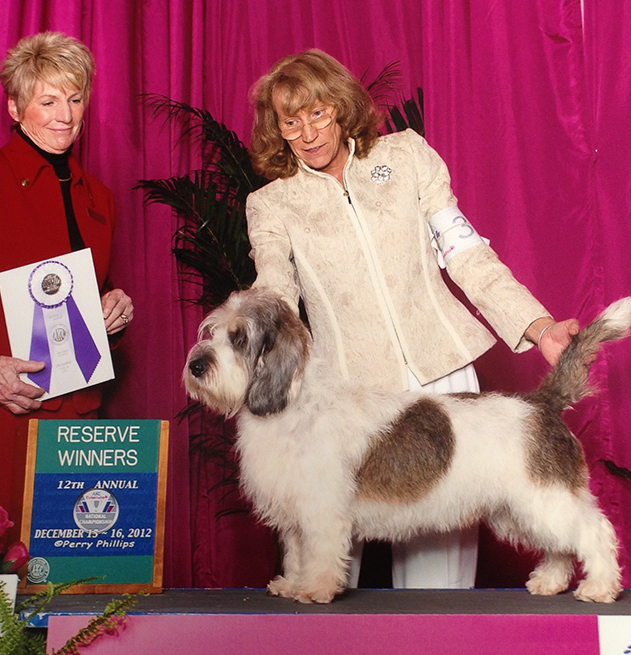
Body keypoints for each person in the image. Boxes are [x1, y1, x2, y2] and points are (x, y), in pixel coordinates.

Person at [246, 48, 579, 590]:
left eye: (318, 113)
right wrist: (244, 341)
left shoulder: (406, 157)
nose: (307, 133)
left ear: (340, 107)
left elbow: (466, 254)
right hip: (351, 401)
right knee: (321, 571)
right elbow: (275, 291)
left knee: (438, 583)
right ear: (277, 131)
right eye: (291, 121)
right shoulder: (272, 204)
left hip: (440, 382)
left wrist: (539, 327)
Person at [0, 31, 133, 533]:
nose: (65, 114)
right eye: (48, 100)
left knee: (68, 586)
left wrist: (112, 313)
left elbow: (84, 299)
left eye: (75, 99)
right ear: (15, 108)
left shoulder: (98, 196)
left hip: (75, 418)